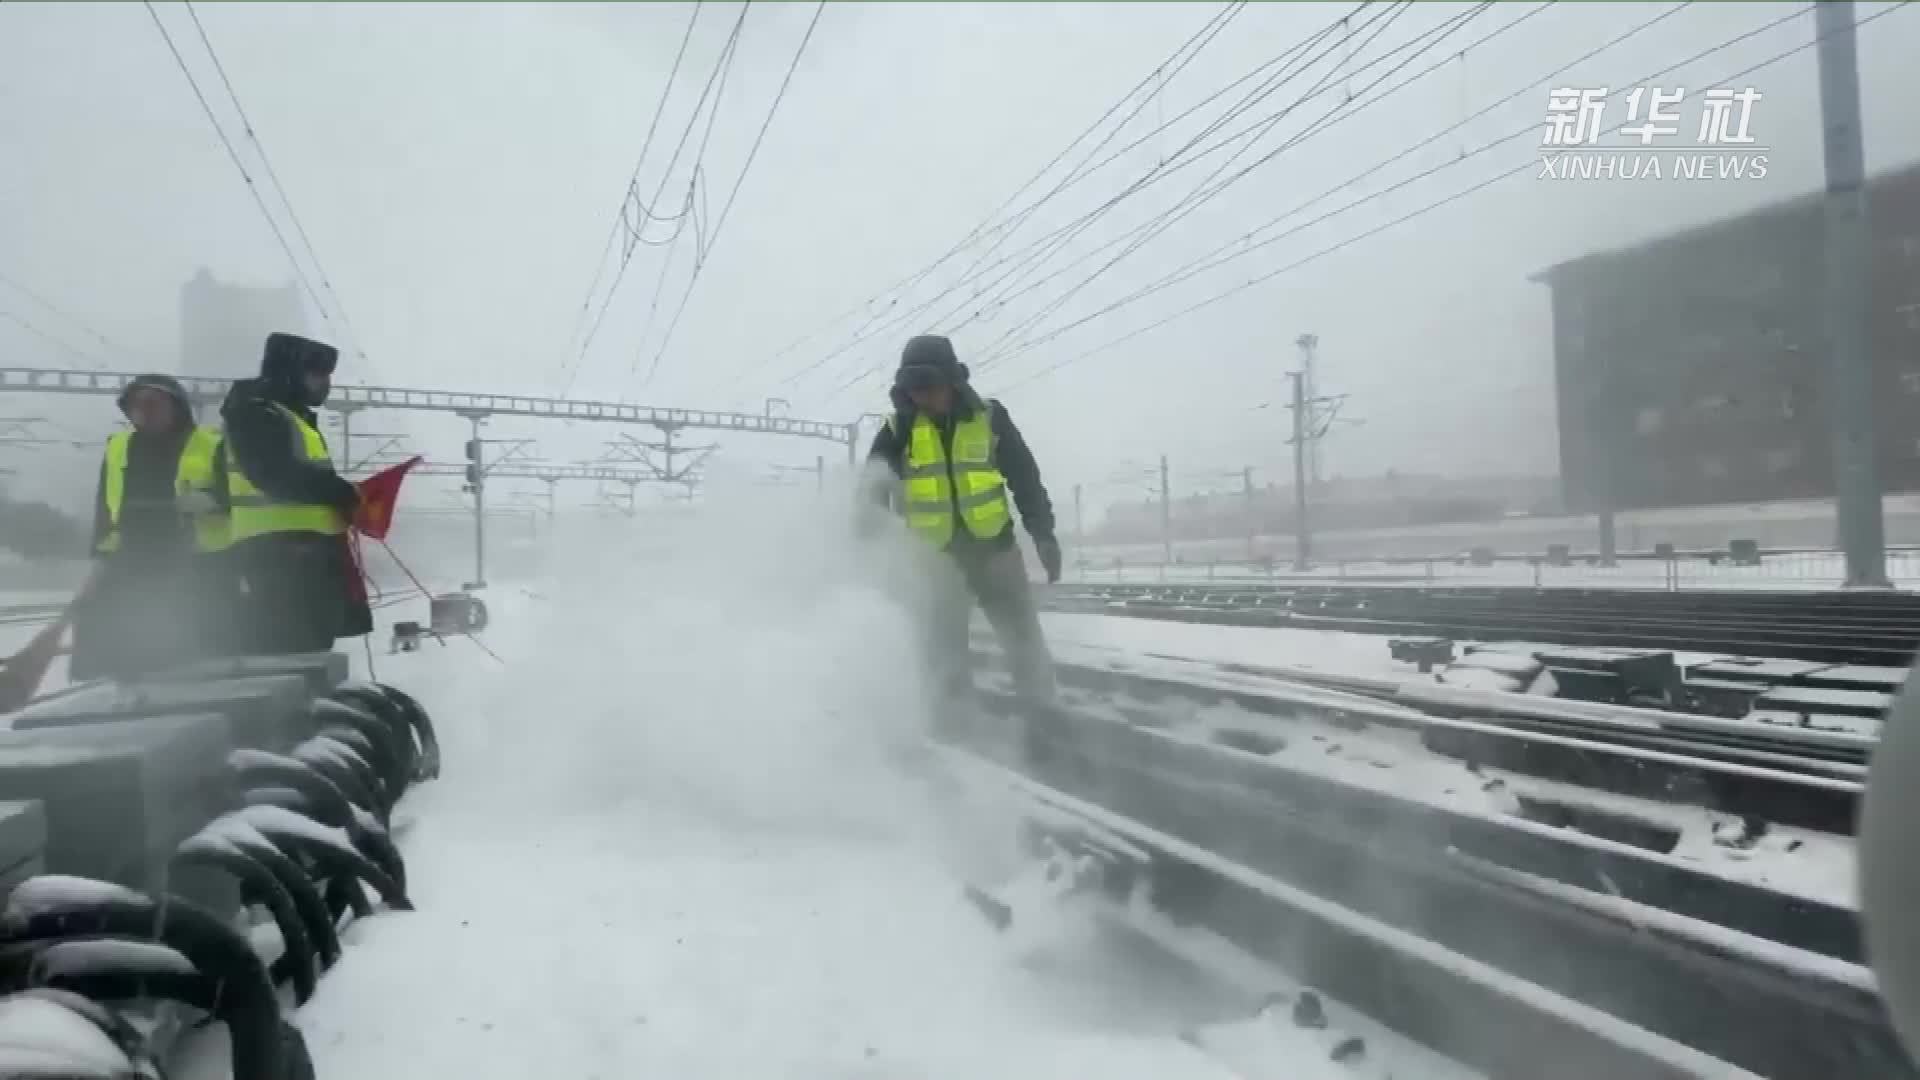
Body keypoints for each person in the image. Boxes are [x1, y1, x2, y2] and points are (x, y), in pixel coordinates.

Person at [863, 334, 1062, 710]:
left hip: (994, 552)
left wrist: (1043, 532)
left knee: (1023, 639)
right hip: (935, 562)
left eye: (931, 387)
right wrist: (877, 546)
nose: (924, 397)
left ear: (953, 380)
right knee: (943, 648)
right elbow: (870, 493)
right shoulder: (897, 431)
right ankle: (959, 726)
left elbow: (1024, 477)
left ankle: (1046, 718)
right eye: (915, 389)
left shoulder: (989, 416)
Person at [67, 374, 234, 681]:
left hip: (196, 561)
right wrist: (101, 555)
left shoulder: (211, 444)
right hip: (131, 557)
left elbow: (236, 494)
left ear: (177, 407)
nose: (145, 411)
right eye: (137, 405)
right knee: (125, 640)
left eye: (154, 403)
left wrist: (211, 501)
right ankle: (127, 696)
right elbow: (105, 505)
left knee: (188, 646)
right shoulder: (118, 447)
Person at [220, 332, 368, 656]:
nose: (325, 383)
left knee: (308, 650)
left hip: (301, 555)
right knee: (292, 654)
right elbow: (273, 473)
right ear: (289, 371)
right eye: (318, 374)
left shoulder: (288, 416)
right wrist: (339, 491)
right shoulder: (257, 413)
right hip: (279, 558)